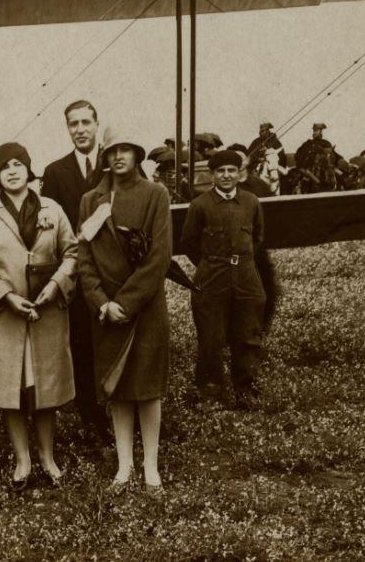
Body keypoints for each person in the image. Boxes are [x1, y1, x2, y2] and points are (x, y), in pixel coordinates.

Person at [0, 142, 77, 488]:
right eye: (5, 166)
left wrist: (57, 283)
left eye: (18, 164)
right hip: (4, 315)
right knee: (9, 388)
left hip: (45, 314)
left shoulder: (52, 209)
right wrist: (6, 296)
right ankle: (23, 460)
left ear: (29, 170)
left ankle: (48, 457)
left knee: (45, 389)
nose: (12, 171)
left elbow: (73, 251)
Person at [76, 126, 172, 496]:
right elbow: (84, 260)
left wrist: (126, 303)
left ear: (137, 154)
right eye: (112, 150)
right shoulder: (91, 200)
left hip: (145, 308)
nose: (119, 157)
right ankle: (123, 466)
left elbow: (159, 257)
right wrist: (103, 302)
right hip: (107, 313)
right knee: (117, 390)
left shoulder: (155, 194)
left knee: (147, 389)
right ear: (104, 156)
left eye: (126, 150)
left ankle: (150, 468)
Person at [40, 99, 112, 443]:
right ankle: (91, 417)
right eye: (74, 124)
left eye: (86, 122)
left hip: (114, 274)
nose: (80, 129)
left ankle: (125, 412)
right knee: (82, 345)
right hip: (79, 274)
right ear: (67, 129)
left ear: (97, 124)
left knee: (115, 342)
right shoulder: (55, 172)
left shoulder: (117, 162)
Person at [179, 150, 267, 409]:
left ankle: (246, 390)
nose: (226, 175)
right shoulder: (200, 205)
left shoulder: (251, 202)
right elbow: (189, 242)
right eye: (221, 171)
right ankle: (210, 393)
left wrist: (242, 263)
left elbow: (258, 238)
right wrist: (210, 264)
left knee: (249, 334)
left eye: (231, 170)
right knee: (211, 338)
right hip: (212, 277)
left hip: (246, 277)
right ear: (212, 175)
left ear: (239, 173)